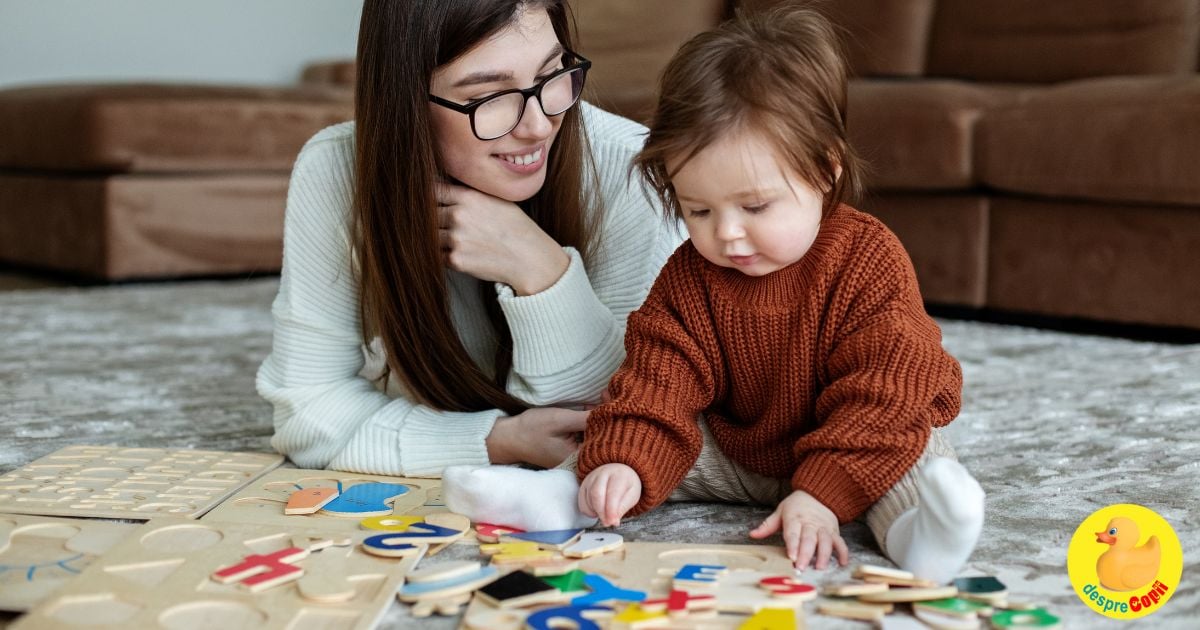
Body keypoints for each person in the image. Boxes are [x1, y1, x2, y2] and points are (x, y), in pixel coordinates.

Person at [445, 6, 985, 583]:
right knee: (638, 434)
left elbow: (888, 387)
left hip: (846, 438)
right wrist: (622, 461)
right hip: (740, 453)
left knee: (914, 451)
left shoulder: (865, 258)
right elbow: (660, 377)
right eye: (698, 209)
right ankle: (559, 497)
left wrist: (822, 495)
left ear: (824, 171)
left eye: (755, 207)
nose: (726, 233)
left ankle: (919, 537)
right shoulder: (691, 275)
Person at [257, 0, 682, 479]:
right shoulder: (336, 169)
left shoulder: (632, 171)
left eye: (552, 74)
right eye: (490, 96)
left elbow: (620, 425)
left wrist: (540, 271)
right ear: (407, 100)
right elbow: (307, 415)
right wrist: (496, 440)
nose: (539, 126)